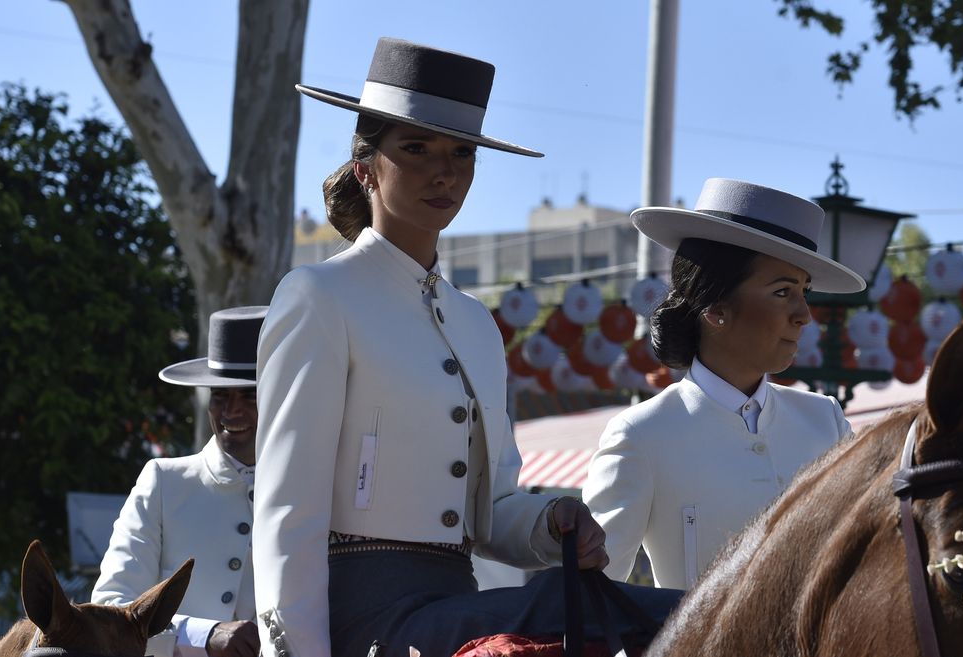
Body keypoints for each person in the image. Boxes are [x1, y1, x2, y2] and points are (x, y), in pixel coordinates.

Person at [252, 38, 680, 657]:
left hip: (455, 610)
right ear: (365, 168)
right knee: (601, 607)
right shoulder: (319, 294)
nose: (444, 172)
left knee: (663, 613)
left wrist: (550, 519)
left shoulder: (476, 323)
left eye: (462, 153)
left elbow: (492, 510)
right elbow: (287, 511)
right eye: (416, 149)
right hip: (359, 623)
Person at [582, 179, 861, 589]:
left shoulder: (827, 421)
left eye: (805, 291)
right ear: (714, 308)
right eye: (783, 291)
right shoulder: (642, 434)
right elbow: (592, 596)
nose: (803, 313)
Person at [94, 307, 267, 657]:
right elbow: (112, 609)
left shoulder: (313, 490)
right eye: (220, 396)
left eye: (249, 396)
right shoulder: (164, 482)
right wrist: (205, 634)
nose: (231, 412)